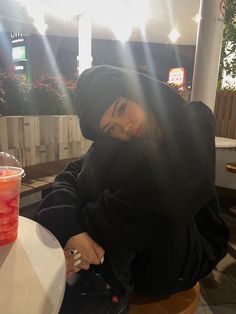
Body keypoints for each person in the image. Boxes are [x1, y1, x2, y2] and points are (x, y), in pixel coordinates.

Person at [37, 65, 229, 314]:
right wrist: (70, 229)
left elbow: (169, 197)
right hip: (137, 251)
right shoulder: (114, 147)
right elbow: (70, 175)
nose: (123, 127)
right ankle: (98, 278)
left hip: (186, 254)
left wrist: (85, 232)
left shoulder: (194, 118)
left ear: (137, 92)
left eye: (122, 109)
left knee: (127, 155)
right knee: (102, 153)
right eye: (110, 128)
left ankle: (99, 278)